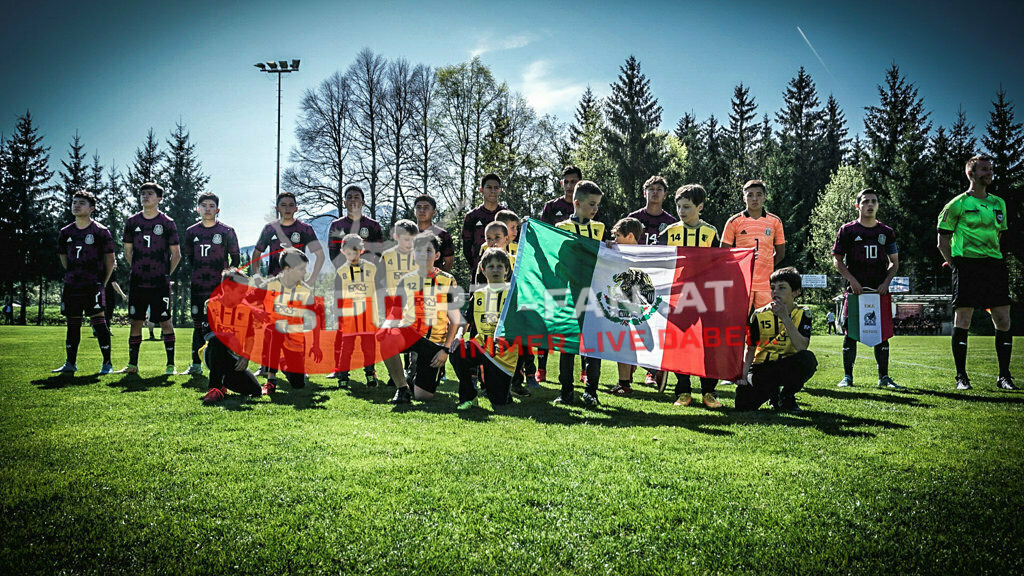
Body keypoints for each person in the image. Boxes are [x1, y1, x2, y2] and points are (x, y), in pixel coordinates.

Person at [937, 154, 1015, 390]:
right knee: (963, 319)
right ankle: (961, 377)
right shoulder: (957, 204)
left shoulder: (998, 203)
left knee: (1003, 318)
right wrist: (954, 265)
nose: (989, 173)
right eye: (984, 169)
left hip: (994, 265)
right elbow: (942, 241)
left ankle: (1004, 377)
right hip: (966, 265)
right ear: (971, 174)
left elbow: (999, 233)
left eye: (990, 169)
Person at [379, 232, 462, 404]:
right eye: (419, 250)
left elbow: (455, 319)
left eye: (428, 250)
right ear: (413, 255)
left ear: (437, 255)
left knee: (423, 397)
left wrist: (445, 350)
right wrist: (385, 326)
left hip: (435, 342)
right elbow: (395, 313)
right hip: (410, 333)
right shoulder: (405, 280)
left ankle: (418, 378)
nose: (423, 254)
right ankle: (402, 388)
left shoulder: (448, 280)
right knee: (386, 339)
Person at [659, 184, 723, 408]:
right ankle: (683, 391)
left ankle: (709, 391)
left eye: (686, 206)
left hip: (707, 295)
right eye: (678, 206)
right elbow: (652, 255)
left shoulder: (711, 232)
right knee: (681, 343)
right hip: (680, 295)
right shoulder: (670, 232)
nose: (681, 211)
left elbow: (722, 261)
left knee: (709, 342)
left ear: (700, 207)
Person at [833, 188, 902, 390]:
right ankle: (847, 377)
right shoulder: (847, 230)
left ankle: (884, 377)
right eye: (865, 201)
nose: (869, 205)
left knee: (882, 333)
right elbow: (837, 261)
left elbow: (894, 262)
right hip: (856, 292)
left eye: (873, 201)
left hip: (879, 291)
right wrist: (852, 280)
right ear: (858, 206)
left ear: (878, 205)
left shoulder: (886, 232)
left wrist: (886, 282)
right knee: (850, 333)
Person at [117, 182, 181, 375]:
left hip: (160, 282)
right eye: (143, 193)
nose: (145, 196)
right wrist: (140, 269)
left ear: (159, 198)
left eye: (150, 193)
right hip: (138, 281)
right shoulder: (132, 222)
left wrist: (165, 274)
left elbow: (176, 254)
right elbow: (128, 253)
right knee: (136, 321)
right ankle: (132, 365)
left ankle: (170, 365)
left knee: (165, 321)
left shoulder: (167, 223)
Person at [51, 190, 116, 374]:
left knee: (99, 322)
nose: (76, 205)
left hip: (93, 284)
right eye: (74, 202)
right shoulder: (65, 232)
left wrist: (102, 282)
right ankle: (70, 363)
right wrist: (73, 274)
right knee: (73, 324)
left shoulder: (101, 232)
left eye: (81, 203)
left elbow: (110, 261)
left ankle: (107, 364)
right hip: (72, 285)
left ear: (91, 208)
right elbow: (64, 258)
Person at [735, 267, 817, 411]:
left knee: (807, 359)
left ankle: (786, 396)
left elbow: (802, 347)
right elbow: (750, 348)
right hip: (762, 367)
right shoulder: (759, 315)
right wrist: (743, 375)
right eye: (773, 288)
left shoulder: (802, 313)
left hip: (786, 365)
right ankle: (773, 394)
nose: (775, 292)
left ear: (796, 292)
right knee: (743, 405)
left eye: (782, 288)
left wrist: (785, 318)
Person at [554, 180, 606, 406]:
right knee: (567, 344)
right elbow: (557, 260)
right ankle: (566, 391)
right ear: (576, 203)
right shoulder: (561, 227)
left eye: (597, 205)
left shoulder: (599, 228)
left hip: (595, 293)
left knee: (593, 344)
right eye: (591, 204)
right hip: (570, 293)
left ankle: (591, 391)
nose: (595, 209)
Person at [450, 248, 519, 410]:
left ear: (507, 270)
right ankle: (469, 396)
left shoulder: (513, 293)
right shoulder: (479, 294)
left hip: (503, 353)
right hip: (482, 345)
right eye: (491, 266)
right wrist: (458, 336)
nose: (495, 270)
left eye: (500, 266)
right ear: (483, 269)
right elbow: (466, 321)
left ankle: (502, 389)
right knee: (457, 351)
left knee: (499, 402)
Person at [183, 192, 241, 376]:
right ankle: (196, 365)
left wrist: (229, 283)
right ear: (198, 209)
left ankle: (229, 364)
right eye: (204, 206)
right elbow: (189, 258)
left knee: (225, 325)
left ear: (218, 210)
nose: (207, 209)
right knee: (198, 325)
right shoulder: (191, 232)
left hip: (220, 288)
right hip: (198, 286)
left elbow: (236, 258)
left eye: (211, 206)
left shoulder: (227, 231)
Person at [535, 166, 583, 383]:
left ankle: (584, 371)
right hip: (556, 274)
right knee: (548, 320)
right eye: (567, 181)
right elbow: (543, 236)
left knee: (580, 321)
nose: (570, 185)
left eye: (574, 181)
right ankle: (541, 368)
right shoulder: (551, 207)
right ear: (561, 183)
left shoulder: (587, 205)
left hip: (579, 276)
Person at [259, 248, 323, 393]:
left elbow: (316, 317)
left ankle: (283, 363)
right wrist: (256, 311)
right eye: (301, 269)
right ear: (287, 269)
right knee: (276, 328)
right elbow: (244, 300)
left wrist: (316, 345)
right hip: (272, 332)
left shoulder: (305, 290)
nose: (305, 273)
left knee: (298, 383)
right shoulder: (269, 285)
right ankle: (271, 380)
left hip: (294, 337)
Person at [199, 269, 263, 403]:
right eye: (241, 292)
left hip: (233, 357)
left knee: (256, 391)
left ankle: (224, 381)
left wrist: (245, 356)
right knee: (218, 341)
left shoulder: (246, 309)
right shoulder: (211, 304)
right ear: (227, 289)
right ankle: (214, 388)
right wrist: (228, 337)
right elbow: (207, 334)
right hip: (212, 353)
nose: (244, 296)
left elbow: (250, 337)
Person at [721, 180, 786, 310]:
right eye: (750, 195)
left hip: (765, 284)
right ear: (744, 198)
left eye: (759, 194)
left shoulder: (775, 221)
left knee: (765, 318)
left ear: (765, 197)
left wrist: (766, 266)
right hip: (742, 282)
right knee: (739, 317)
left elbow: (781, 253)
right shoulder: (734, 221)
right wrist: (740, 268)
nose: (754, 199)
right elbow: (724, 253)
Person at [331, 234, 380, 389]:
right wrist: (337, 316)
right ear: (343, 252)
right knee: (347, 349)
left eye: (355, 252)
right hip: (349, 317)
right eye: (348, 253)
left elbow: (379, 290)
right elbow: (337, 296)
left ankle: (370, 374)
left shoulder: (372, 269)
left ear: (362, 250)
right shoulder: (341, 272)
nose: (352, 256)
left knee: (369, 348)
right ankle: (343, 377)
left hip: (368, 316)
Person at [606, 217, 643, 396]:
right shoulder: (617, 251)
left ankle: (627, 381)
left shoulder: (644, 254)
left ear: (630, 236)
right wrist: (607, 249)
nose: (615, 240)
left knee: (626, 344)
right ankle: (625, 381)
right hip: (625, 305)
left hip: (634, 306)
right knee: (625, 343)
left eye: (618, 236)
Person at [253, 191, 324, 281]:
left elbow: (320, 255)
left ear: (296, 208)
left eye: (291, 205)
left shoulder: (305, 229)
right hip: (274, 283)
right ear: (277, 208)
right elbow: (257, 253)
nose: (287, 208)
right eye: (283, 205)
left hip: (297, 283)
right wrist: (257, 278)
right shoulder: (270, 229)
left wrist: (312, 279)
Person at [462, 173, 506, 280]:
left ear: (500, 190)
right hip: (479, 272)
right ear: (481, 190)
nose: (493, 191)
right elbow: (466, 248)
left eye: (496, 188)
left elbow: (515, 241)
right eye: (489, 187)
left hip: (503, 273)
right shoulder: (472, 216)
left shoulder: (506, 215)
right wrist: (477, 265)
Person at [329, 185, 385, 267]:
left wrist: (371, 269)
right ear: (345, 203)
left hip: (368, 272)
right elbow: (333, 253)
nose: (352, 200)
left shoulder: (373, 225)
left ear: (363, 202)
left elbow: (379, 252)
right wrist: (344, 270)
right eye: (349, 197)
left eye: (356, 197)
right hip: (345, 272)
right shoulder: (336, 226)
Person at [629, 175, 678, 246]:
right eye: (651, 189)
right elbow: (621, 239)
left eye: (659, 189)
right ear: (644, 193)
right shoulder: (633, 218)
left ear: (665, 194)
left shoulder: (671, 222)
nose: (655, 192)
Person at [413, 194, 455, 272]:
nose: (422, 210)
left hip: (434, 277)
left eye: (426, 207)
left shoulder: (443, 235)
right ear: (414, 211)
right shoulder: (407, 233)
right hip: (409, 277)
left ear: (434, 212)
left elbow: (449, 262)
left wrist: (439, 276)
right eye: (418, 207)